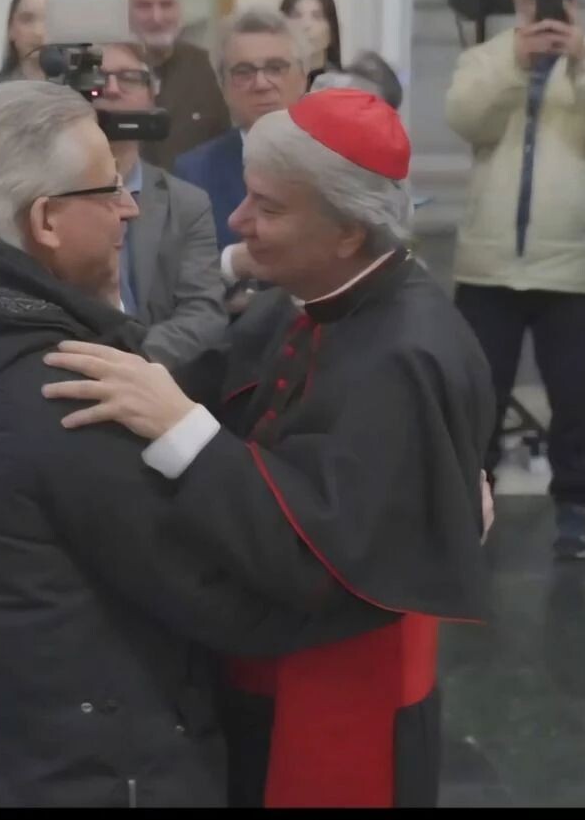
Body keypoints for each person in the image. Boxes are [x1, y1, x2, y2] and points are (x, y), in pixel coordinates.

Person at [0, 81, 400, 808]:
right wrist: (393, 575)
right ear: (46, 221)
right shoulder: (71, 392)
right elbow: (223, 599)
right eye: (109, 190)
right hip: (69, 770)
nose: (130, 207)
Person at [42, 87, 494, 808]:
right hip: (269, 662)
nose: (237, 220)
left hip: (341, 674)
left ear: (347, 229)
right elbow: (220, 392)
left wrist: (179, 427)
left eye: (268, 207)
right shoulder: (308, 294)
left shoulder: (405, 352)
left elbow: (314, 552)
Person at [444, 0, 585, 560]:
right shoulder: (487, 57)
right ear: (518, 0)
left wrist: (579, 59)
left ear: (577, 3)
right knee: (477, 395)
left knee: (575, 399)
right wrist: (516, 62)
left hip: (573, 269)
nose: (549, 11)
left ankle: (573, 506)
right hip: (489, 265)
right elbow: (465, 119)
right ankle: (473, 503)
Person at [93, 41, 227, 368]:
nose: (111, 89)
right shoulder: (46, 199)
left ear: (152, 94)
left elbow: (204, 313)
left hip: (158, 379)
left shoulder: (187, 204)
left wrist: (130, 364)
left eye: (129, 78)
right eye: (98, 79)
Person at [175, 7, 310, 255]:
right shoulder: (193, 175)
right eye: (244, 72)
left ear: (303, 77)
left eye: (276, 68)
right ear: (222, 86)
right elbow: (186, 275)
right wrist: (233, 266)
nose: (260, 84)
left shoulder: (335, 159)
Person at [127, 0, 231, 169]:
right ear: (127, 11)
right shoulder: (109, 74)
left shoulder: (210, 69)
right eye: (144, 6)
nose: (156, 18)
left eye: (166, 5)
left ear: (180, 10)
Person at [280, 0, 343, 88]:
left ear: (331, 29)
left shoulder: (347, 88)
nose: (306, 25)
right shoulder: (269, 85)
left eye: (317, 16)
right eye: (296, 15)